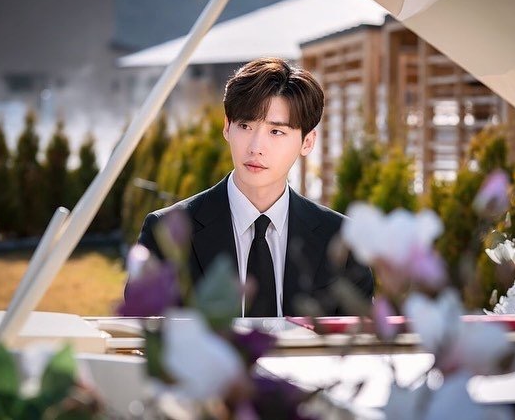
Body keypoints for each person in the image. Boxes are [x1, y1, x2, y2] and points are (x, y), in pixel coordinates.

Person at [131, 57, 373, 317]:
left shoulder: (342, 239)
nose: (256, 147)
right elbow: (145, 330)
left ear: (307, 142)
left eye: (276, 132)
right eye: (245, 126)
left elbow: (358, 338)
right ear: (227, 127)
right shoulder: (166, 233)